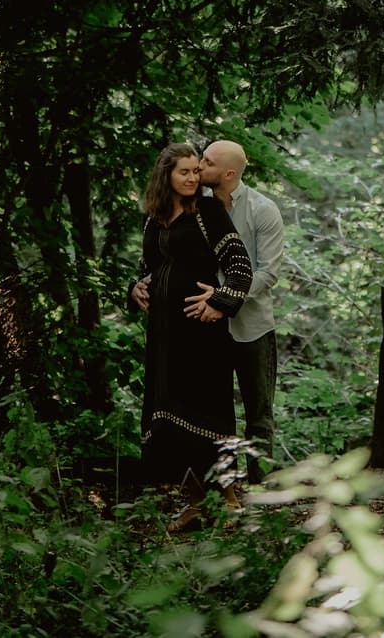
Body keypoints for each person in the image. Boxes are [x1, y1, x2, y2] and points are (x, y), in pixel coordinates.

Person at [130, 142, 253, 503]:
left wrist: (219, 303)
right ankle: (195, 504)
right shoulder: (153, 217)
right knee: (169, 414)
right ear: (165, 175)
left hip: (201, 336)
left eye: (195, 171)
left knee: (209, 414)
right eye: (183, 171)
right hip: (165, 337)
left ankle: (229, 500)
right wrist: (134, 288)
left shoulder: (208, 211)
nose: (191, 178)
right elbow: (148, 267)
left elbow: (240, 269)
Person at [196, 138, 284, 483]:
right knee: (213, 413)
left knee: (259, 414)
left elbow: (268, 273)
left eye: (207, 161)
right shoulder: (195, 208)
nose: (199, 166)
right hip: (204, 327)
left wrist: (224, 300)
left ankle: (262, 493)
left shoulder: (263, 210)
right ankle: (224, 490)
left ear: (229, 173)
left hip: (253, 328)